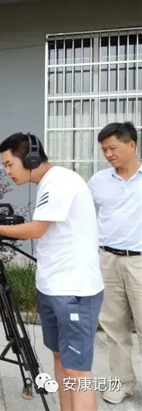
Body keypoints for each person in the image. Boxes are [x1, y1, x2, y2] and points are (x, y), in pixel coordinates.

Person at [0, 132, 104, 411]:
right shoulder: (49, 183)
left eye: (9, 164)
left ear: (30, 158)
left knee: (77, 372)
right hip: (52, 286)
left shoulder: (60, 182)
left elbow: (36, 229)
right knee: (59, 358)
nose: (7, 171)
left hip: (75, 290)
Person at [87, 122, 142, 405]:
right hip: (107, 260)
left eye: (112, 148)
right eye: (104, 150)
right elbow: (84, 216)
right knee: (113, 326)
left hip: (140, 262)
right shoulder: (98, 181)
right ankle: (122, 383)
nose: (108, 154)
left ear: (131, 145)